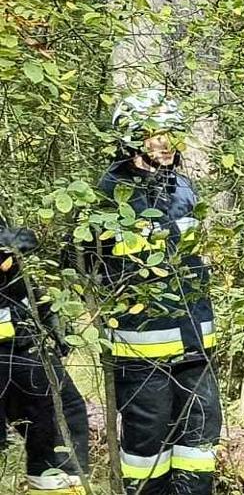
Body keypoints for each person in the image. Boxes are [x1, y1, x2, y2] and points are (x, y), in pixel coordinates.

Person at [82, 90, 221, 495]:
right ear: (129, 136)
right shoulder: (110, 192)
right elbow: (89, 263)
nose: (163, 142)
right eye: (152, 133)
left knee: (199, 438)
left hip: (195, 340)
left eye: (171, 133)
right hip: (142, 347)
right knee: (147, 447)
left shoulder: (183, 187)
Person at [0, 215, 89, 495]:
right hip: (11, 353)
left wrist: (49, 316)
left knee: (61, 415)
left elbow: (18, 274)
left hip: (22, 350)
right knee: (58, 415)